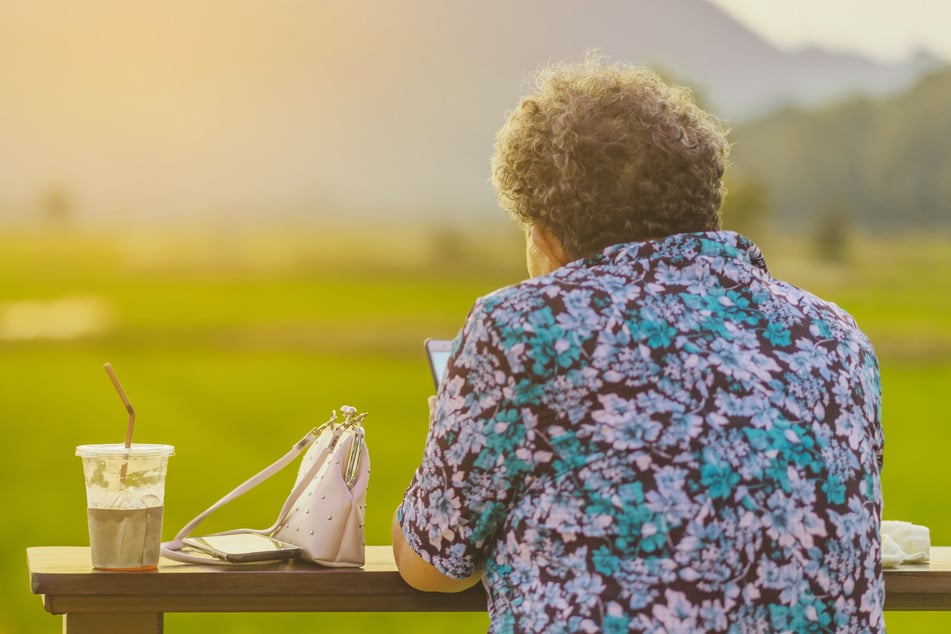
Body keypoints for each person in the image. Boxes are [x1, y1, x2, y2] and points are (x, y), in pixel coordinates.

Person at [392, 53, 884, 632]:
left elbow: (432, 565)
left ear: (545, 235)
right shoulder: (838, 335)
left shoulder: (522, 326)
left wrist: (451, 445)